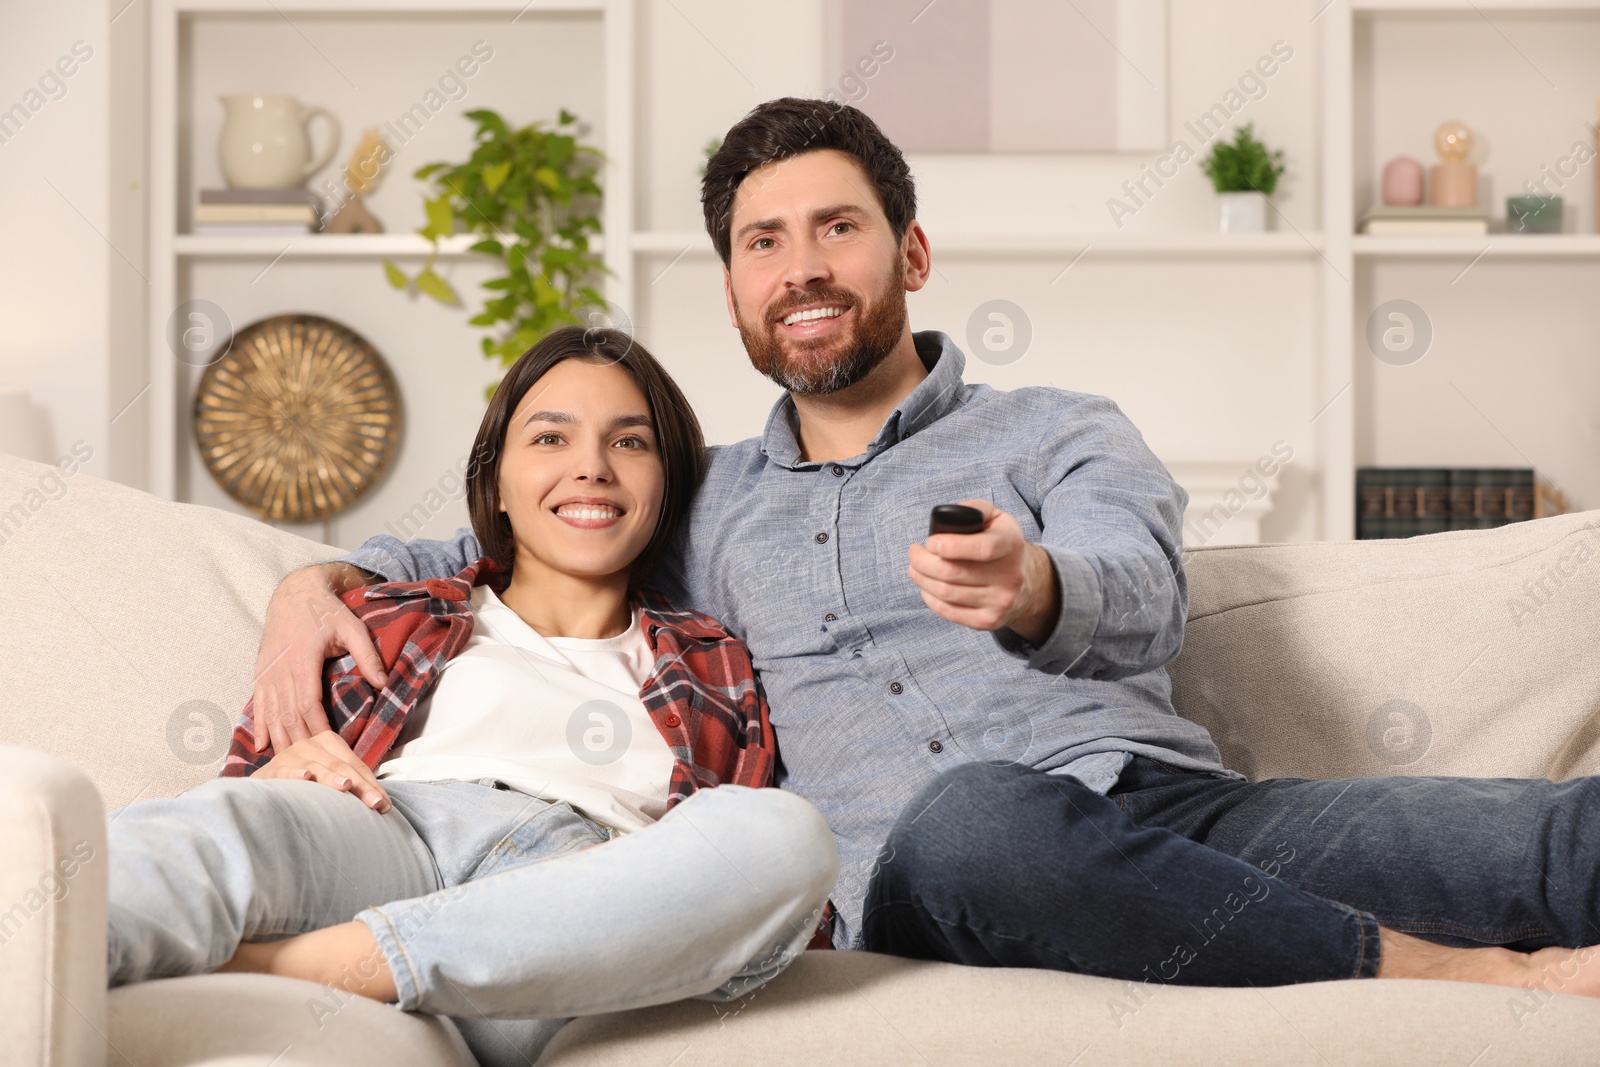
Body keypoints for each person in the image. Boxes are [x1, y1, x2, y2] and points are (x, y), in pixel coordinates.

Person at [252, 98, 1600, 1009]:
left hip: (1173, 810)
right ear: (732, 288)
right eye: (761, 243)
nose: (802, 267)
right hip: (930, 877)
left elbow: (1144, 583)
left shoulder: (1059, 428)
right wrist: (308, 585)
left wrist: (1037, 585)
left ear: (910, 250)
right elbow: (489, 536)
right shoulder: (695, 496)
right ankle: (1461, 979)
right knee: (984, 818)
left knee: (1549, 840)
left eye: (836, 228)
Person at [106, 326, 838, 1067]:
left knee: (786, 835)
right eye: (551, 438)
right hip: (384, 829)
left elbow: (739, 881)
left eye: (630, 443)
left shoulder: (716, 661)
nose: (591, 469)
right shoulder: (393, 614)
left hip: (558, 905)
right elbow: (254, 772)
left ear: (669, 484)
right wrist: (270, 776)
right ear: (496, 483)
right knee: (222, 829)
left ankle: (296, 968)